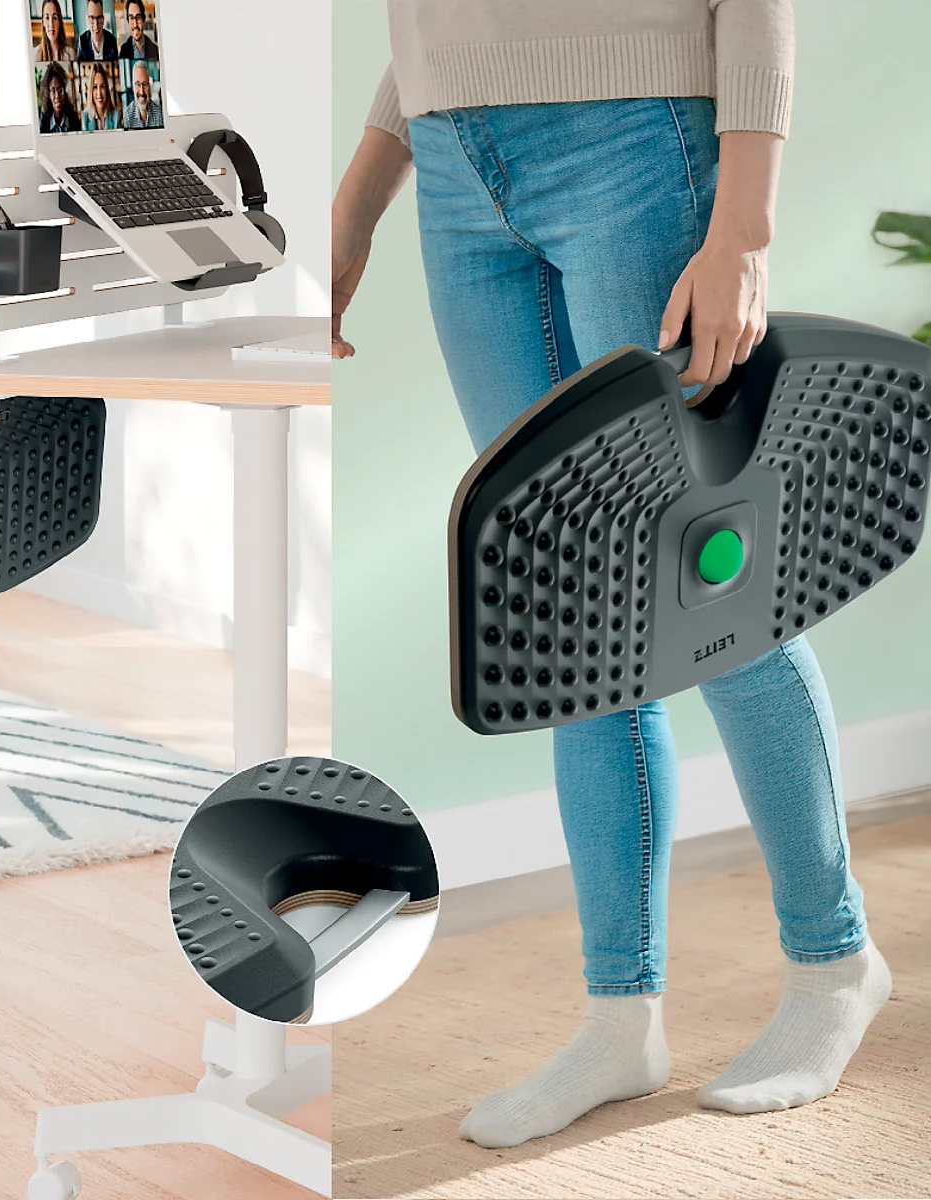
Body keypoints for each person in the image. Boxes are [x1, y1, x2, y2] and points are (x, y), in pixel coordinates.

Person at [333, 0, 892, 1150]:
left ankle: (835, 965)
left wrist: (745, 221)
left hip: (634, 143)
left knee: (717, 598)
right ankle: (618, 1016)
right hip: (451, 166)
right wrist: (356, 204)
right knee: (571, 618)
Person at [38, 62, 81, 133]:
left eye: (60, 90)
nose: (57, 96)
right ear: (48, 94)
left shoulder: (73, 118)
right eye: (53, 91)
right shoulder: (45, 121)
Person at [124, 60, 163, 130]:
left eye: (145, 84)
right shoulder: (127, 115)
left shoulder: (159, 113)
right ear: (133, 87)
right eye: (138, 85)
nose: (142, 92)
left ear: (149, 86)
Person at [82, 62, 121, 130]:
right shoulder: (85, 117)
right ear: (91, 90)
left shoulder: (116, 115)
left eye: (102, 86)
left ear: (107, 89)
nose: (99, 93)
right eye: (95, 87)